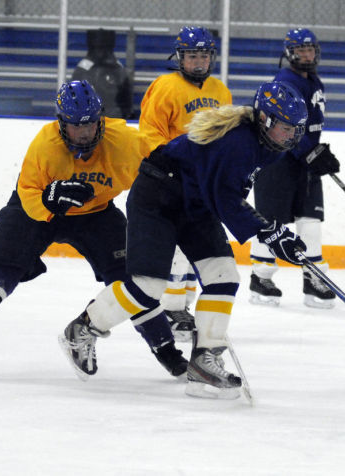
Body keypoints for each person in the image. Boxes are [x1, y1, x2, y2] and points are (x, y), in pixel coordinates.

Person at [58, 81, 308, 399]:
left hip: (195, 204)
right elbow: (225, 197)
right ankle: (82, 328)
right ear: (266, 120)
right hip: (157, 197)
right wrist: (269, 231)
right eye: (287, 129)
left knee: (224, 277)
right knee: (148, 287)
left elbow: (220, 194)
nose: (291, 136)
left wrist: (311, 154)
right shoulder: (237, 142)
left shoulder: (270, 143)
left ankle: (205, 361)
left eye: (295, 130)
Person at [0, 80, 187, 380]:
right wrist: (48, 199)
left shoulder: (127, 141)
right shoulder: (45, 146)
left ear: (101, 117)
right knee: (0, 273)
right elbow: (28, 195)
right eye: (75, 125)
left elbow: (165, 169)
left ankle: (168, 352)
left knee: (133, 280)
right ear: (61, 121)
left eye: (90, 123)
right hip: (36, 212)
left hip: (97, 215)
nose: (85, 131)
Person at [138, 26, 232, 342]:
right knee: (177, 245)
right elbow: (149, 132)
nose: (198, 61)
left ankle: (183, 306)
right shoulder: (165, 87)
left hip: (203, 181)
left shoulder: (220, 90)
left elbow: (225, 135)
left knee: (197, 245)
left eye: (204, 55)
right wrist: (171, 163)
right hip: (170, 178)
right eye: (192, 55)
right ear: (180, 57)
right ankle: (171, 308)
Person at [249, 28, 341, 308]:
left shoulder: (315, 82)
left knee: (311, 220)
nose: (307, 54)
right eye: (301, 50)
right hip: (277, 161)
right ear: (289, 52)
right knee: (270, 222)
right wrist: (309, 152)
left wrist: (318, 152)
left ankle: (313, 279)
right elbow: (280, 126)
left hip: (304, 163)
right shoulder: (284, 81)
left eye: (310, 49)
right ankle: (260, 277)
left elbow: (309, 126)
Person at [72, 29, 133, 119]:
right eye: (99, 49)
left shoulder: (117, 68)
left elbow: (126, 101)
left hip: (114, 118)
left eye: (104, 49)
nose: (101, 52)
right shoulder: (83, 70)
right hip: (89, 120)